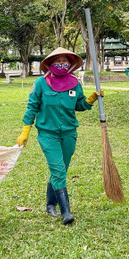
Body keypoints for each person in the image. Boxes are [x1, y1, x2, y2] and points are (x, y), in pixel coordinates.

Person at [16, 47, 101, 225]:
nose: (61, 65)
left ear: (70, 64)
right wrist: (25, 131)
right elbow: (32, 107)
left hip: (69, 133)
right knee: (58, 170)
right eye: (57, 62)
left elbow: (79, 105)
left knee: (60, 170)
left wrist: (91, 99)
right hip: (48, 134)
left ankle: (50, 205)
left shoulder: (75, 83)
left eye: (64, 62)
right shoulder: (41, 83)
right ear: (49, 64)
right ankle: (66, 212)